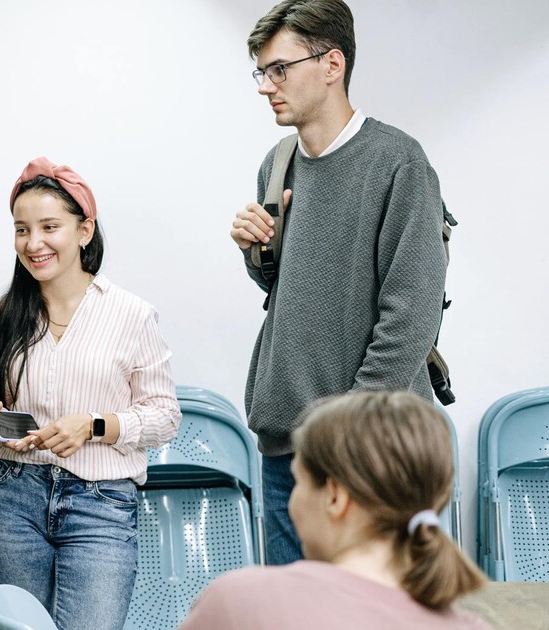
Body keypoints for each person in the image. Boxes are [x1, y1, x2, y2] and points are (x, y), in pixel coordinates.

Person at [229, 0, 449, 565]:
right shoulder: (277, 165)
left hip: (369, 454)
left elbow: (410, 316)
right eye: (262, 71)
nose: (265, 86)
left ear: (332, 64)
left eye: (280, 69)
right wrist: (258, 253)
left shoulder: (400, 163)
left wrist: (344, 434)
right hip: (285, 450)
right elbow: (289, 291)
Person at [0, 157, 181, 630]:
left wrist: (94, 425)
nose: (34, 242)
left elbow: (165, 416)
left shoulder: (132, 314)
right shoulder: (0, 314)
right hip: (11, 498)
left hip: (101, 504)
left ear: (84, 231)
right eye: (21, 230)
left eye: (49, 226)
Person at [179, 391, 488, 629]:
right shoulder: (471, 625)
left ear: (336, 496)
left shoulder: (241, 603)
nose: (292, 502)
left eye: (298, 482)